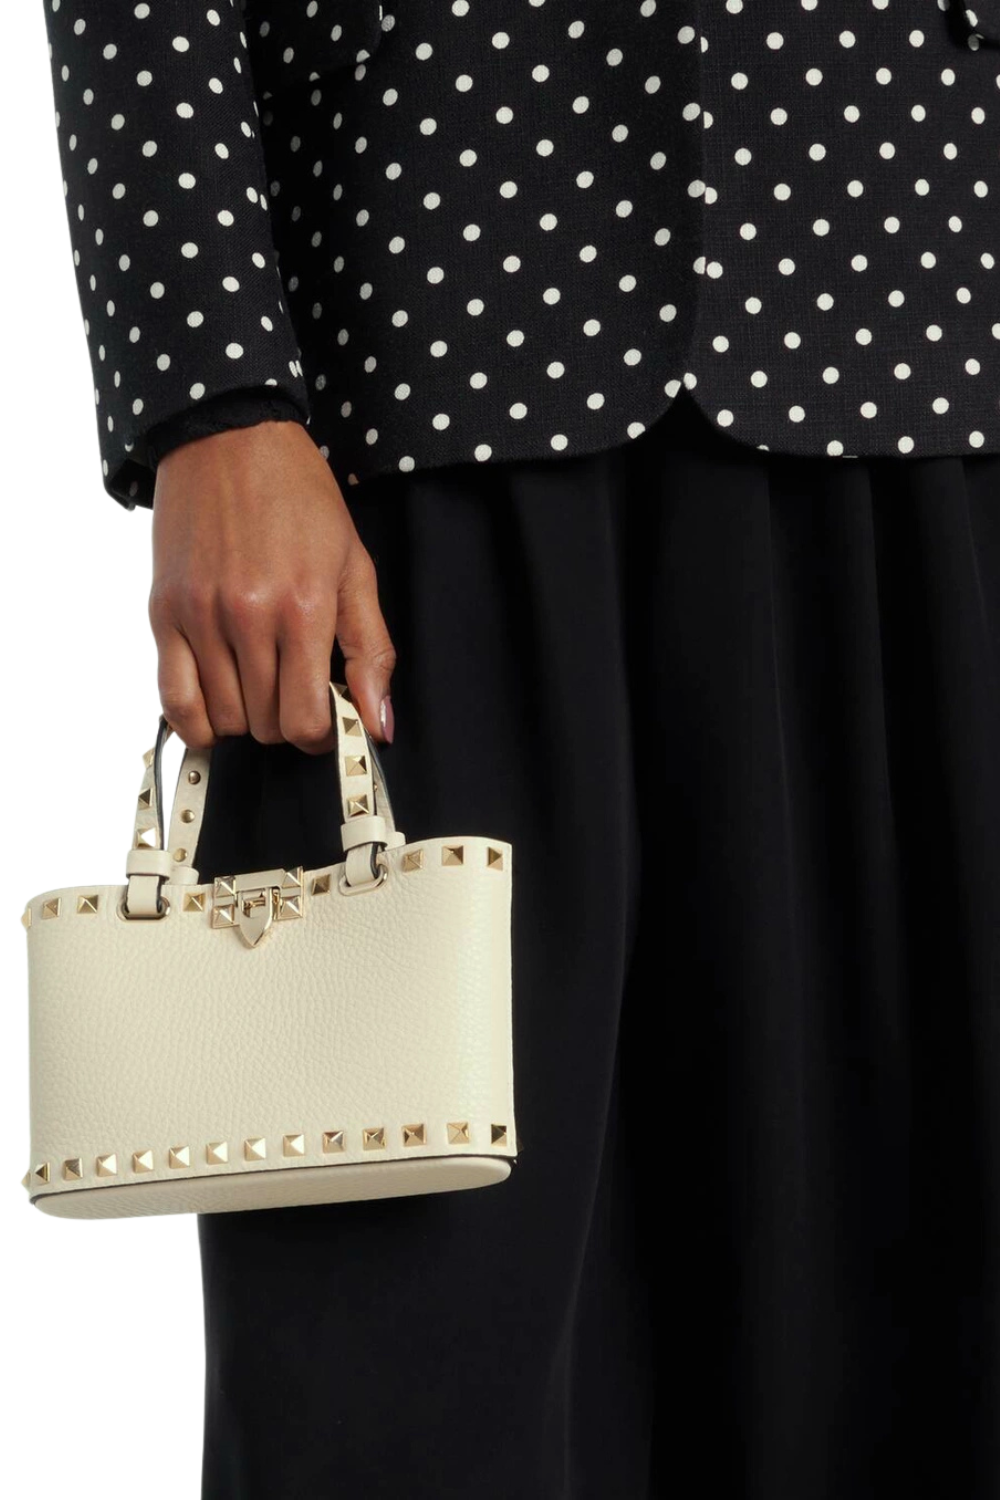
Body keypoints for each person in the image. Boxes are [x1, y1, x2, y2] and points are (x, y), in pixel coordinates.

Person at [40, 2, 1000, 1495]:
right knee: (403, 1400)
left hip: (924, 332)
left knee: (910, 1365)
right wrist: (208, 393)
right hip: (418, 377)